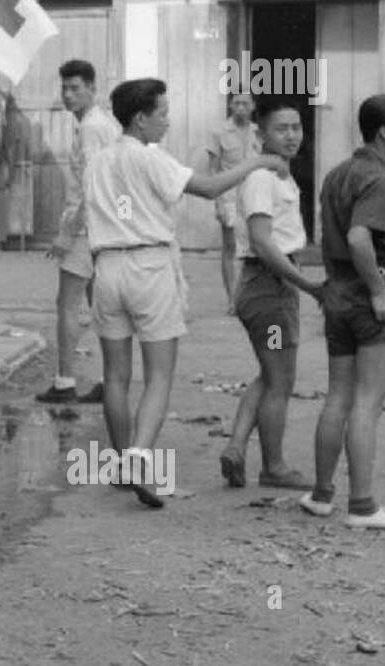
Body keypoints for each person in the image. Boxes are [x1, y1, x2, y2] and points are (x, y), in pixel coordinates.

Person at [85, 78, 287, 509]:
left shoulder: (98, 160)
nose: (168, 120)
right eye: (162, 112)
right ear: (140, 118)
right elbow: (210, 187)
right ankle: (139, 457)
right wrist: (257, 163)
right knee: (158, 374)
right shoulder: (149, 157)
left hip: (105, 265)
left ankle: (123, 461)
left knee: (116, 376)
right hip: (149, 265)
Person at [303, 95, 385, 531]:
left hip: (337, 297)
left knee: (338, 397)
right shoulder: (379, 180)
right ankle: (363, 506)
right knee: (367, 405)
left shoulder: (336, 174)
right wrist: (379, 291)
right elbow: (358, 238)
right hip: (370, 298)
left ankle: (321, 495)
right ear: (384, 132)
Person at [219, 98, 326, 490]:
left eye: (296, 127)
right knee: (281, 380)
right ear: (261, 134)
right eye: (281, 129)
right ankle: (274, 467)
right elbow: (264, 243)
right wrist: (309, 286)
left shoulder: (279, 175)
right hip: (269, 288)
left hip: (268, 287)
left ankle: (235, 446)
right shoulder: (263, 178)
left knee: (270, 372)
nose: (291, 135)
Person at [37, 59, 121, 404]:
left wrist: (67, 234)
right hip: (101, 227)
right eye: (65, 88)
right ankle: (108, 380)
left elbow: (92, 188)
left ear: (92, 88)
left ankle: (65, 382)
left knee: (67, 304)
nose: (69, 95)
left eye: (76, 88)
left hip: (87, 228)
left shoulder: (91, 128)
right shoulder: (98, 124)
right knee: (99, 306)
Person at [207, 93, 262, 314]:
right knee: (230, 247)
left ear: (253, 106)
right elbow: (213, 169)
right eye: (236, 103)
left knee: (256, 245)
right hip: (229, 195)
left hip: (255, 194)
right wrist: (218, 202)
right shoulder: (219, 132)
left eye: (245, 103)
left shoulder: (260, 132)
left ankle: (250, 296)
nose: (240, 107)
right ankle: (232, 300)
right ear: (230, 105)